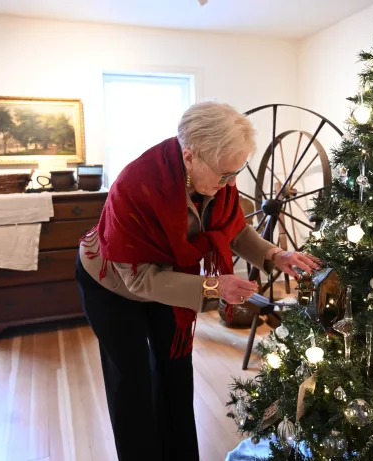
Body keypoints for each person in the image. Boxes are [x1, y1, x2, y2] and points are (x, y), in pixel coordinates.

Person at [75, 101, 319, 461]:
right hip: (113, 283)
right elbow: (139, 279)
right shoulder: (135, 187)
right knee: (132, 382)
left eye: (238, 171)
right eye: (225, 175)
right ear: (189, 158)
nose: (232, 182)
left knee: (175, 369)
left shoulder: (219, 179)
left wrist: (275, 255)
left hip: (170, 275)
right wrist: (214, 287)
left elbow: (233, 228)